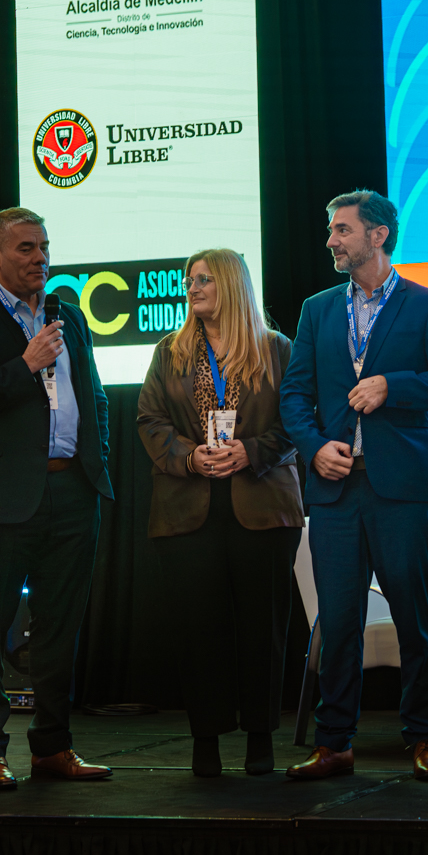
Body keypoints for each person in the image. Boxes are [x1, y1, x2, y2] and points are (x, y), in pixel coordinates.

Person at [280, 190, 428, 781]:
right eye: (331, 230)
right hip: (337, 492)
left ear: (378, 235)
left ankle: (425, 737)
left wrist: (394, 385)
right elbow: (294, 396)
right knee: (339, 624)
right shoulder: (317, 310)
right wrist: (315, 448)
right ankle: (334, 743)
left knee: (416, 621)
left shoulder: (427, 304)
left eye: (342, 230)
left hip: (404, 492)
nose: (331, 241)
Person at [0, 207, 115, 788]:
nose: (40, 259)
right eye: (26, 249)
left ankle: (53, 748)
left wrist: (95, 461)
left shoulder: (68, 314)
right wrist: (24, 365)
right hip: (4, 498)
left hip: (73, 491)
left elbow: (93, 395)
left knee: (60, 628)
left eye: (44, 247)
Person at [136, 249, 303, 777]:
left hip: (263, 505)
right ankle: (205, 740)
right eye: (190, 280)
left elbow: (298, 420)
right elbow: (150, 418)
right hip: (187, 507)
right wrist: (190, 457)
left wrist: (250, 451)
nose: (192, 288)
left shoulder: (276, 349)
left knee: (263, 628)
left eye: (204, 279)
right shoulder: (170, 352)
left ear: (231, 285)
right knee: (197, 631)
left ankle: (261, 738)